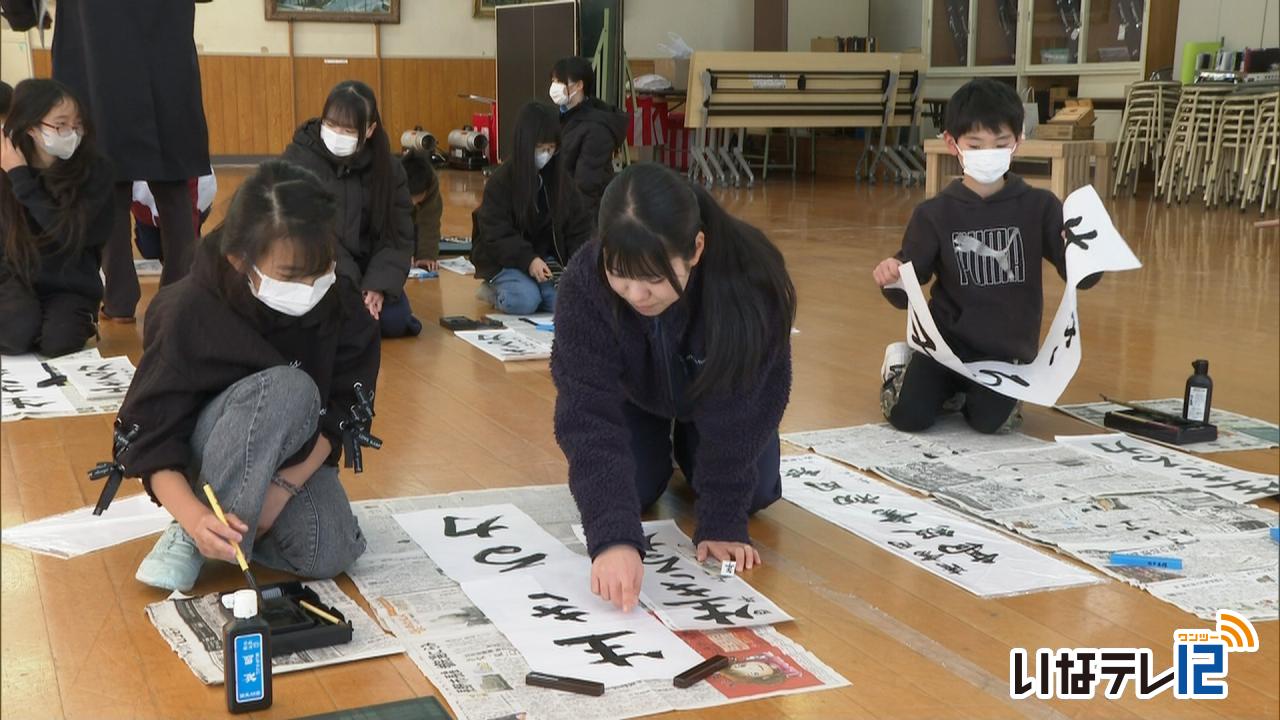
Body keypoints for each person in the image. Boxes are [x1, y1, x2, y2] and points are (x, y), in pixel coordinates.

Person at [116, 160, 379, 592]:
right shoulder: (189, 310)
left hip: (292, 457)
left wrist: (280, 490)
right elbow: (151, 437)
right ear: (241, 260)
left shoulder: (340, 302)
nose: (312, 285)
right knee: (289, 388)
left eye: (322, 267)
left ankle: (239, 530)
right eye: (292, 276)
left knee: (328, 550)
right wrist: (194, 516)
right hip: (206, 463)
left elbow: (346, 410)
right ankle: (195, 534)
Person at [552, 162, 796, 612]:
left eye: (653, 279)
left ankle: (693, 440)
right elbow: (585, 412)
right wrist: (612, 538)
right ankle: (676, 446)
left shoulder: (750, 281)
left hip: (721, 396)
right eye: (621, 276)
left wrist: (722, 518)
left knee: (756, 492)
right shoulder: (583, 285)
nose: (636, 296)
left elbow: (754, 403)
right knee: (636, 493)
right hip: (637, 398)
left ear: (696, 249)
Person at [872, 78, 1101, 435]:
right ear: (953, 144)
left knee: (990, 422)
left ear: (1018, 142)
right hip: (945, 346)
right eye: (975, 144)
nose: (988, 152)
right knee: (909, 416)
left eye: (1000, 143)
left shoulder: (1040, 207)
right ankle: (903, 366)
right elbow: (910, 281)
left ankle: (964, 396)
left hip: (1006, 353)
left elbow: (1081, 277)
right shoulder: (935, 213)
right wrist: (891, 277)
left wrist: (1088, 252)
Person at [32, 0, 213, 322]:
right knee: (173, 186)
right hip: (165, 43)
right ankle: (180, 298)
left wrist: (23, 13)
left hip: (97, 43)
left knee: (109, 182)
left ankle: (119, 299)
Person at [283, 80, 419, 338]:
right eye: (331, 125)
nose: (337, 134)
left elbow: (398, 237)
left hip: (367, 273)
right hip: (315, 269)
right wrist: (349, 282)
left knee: (393, 320)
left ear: (369, 130)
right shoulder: (298, 160)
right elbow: (302, 231)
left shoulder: (389, 170)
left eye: (347, 130)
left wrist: (376, 286)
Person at [0, 78, 114, 356]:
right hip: (15, 276)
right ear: (31, 128)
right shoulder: (7, 170)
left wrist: (21, 178)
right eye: (60, 125)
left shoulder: (94, 170)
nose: (71, 133)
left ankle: (78, 320)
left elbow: (69, 233)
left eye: (77, 124)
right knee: (17, 335)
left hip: (69, 283)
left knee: (58, 343)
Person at [471, 102, 591, 315]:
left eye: (551, 148)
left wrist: (578, 265)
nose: (546, 154)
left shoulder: (561, 181)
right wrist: (528, 259)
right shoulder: (501, 182)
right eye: (540, 148)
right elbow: (495, 233)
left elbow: (578, 227)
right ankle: (491, 290)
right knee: (525, 300)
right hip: (505, 260)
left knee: (564, 303)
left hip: (545, 260)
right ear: (525, 145)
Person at [549, 57, 628, 225]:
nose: (554, 87)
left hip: (579, 215)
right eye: (553, 81)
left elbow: (587, 186)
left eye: (560, 82)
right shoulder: (559, 116)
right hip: (556, 203)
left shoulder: (597, 128)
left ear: (579, 85)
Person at [131, 170, 217, 261]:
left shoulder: (192, 183)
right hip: (146, 210)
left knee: (183, 252)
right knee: (151, 252)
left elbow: (189, 222)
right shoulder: (139, 184)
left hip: (197, 198)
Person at [400, 149, 441, 273]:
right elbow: (393, 222)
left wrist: (426, 256)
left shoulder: (432, 182)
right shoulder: (393, 178)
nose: (413, 203)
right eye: (410, 199)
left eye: (417, 200)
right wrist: (402, 253)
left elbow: (430, 221)